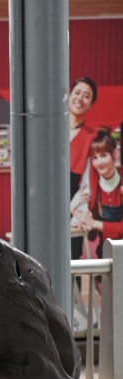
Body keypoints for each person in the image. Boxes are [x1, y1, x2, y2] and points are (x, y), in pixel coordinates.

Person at [68, 77, 98, 259]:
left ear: (91, 105)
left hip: (74, 201)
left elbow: (89, 181)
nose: (80, 98)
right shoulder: (51, 129)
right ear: (69, 95)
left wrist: (80, 211)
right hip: (47, 201)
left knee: (72, 258)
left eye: (86, 96)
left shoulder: (92, 137)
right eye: (77, 93)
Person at [81, 127, 122, 256]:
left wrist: (95, 224)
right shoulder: (94, 187)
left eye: (103, 155)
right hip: (104, 252)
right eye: (95, 157)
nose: (99, 162)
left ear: (115, 154)